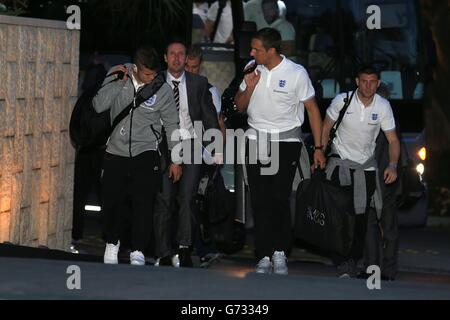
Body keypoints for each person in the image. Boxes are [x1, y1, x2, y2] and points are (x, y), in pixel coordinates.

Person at [234, 27, 326, 275]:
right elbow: (239, 106)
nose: (251, 52)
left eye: (257, 49)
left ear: (271, 51)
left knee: (279, 198)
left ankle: (279, 252)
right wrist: (250, 86)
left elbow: (312, 111)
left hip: (286, 143)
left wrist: (319, 148)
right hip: (255, 139)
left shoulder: (296, 73)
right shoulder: (252, 69)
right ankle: (263, 254)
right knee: (260, 199)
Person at [92, 46, 182, 266]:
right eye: (147, 74)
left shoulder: (162, 88)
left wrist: (176, 159)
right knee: (113, 200)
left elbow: (172, 124)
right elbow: (99, 105)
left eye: (154, 74)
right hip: (115, 150)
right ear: (137, 68)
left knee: (143, 202)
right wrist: (120, 82)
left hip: (146, 150)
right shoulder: (117, 73)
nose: (152, 79)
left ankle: (138, 250)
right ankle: (112, 243)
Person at [321, 64, 401, 278]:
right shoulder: (343, 100)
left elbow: (393, 140)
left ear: (378, 83)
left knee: (362, 220)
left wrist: (393, 165)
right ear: (357, 81)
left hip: (366, 169)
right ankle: (343, 262)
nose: (368, 86)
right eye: (364, 81)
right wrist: (319, 151)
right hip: (340, 165)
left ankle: (362, 263)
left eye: (372, 82)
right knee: (340, 216)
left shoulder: (383, 106)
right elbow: (326, 126)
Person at [153, 40, 221, 268]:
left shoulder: (198, 83)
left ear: (186, 58)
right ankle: (163, 252)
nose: (176, 58)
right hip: (163, 146)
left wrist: (216, 147)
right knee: (164, 199)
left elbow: (210, 116)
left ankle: (183, 248)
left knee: (187, 198)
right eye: (172, 54)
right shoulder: (156, 82)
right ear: (165, 57)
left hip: (191, 144)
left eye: (181, 54)